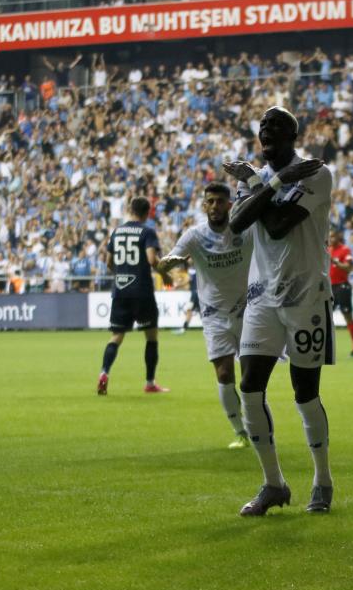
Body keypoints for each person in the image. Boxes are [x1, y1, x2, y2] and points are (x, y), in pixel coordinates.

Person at [225, 106, 334, 516]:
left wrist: (262, 181)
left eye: (275, 126)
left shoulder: (316, 173)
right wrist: (268, 180)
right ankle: (274, 483)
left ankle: (322, 479)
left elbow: (276, 224)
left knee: (305, 394)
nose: (265, 132)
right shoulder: (261, 180)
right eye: (261, 127)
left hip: (306, 296)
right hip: (263, 297)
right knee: (250, 386)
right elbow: (237, 223)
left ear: (293, 135)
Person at [157, 183, 254, 450]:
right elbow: (171, 258)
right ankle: (240, 431)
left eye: (220, 201)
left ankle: (257, 426)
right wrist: (165, 266)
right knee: (224, 373)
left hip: (248, 311)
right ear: (204, 205)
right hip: (213, 315)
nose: (214, 206)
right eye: (210, 201)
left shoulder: (245, 230)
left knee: (250, 378)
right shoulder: (194, 236)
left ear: (229, 205)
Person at [97, 197, 171, 395]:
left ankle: (104, 373)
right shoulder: (147, 231)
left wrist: (123, 273)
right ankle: (149, 382)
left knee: (116, 337)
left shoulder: (117, 231)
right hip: (142, 291)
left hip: (120, 290)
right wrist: (164, 273)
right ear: (148, 213)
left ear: (130, 210)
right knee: (151, 336)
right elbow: (151, 259)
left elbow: (109, 263)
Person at [328, 230, 353, 357]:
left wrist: (335, 262)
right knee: (324, 320)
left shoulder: (345, 250)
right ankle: (326, 350)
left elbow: (349, 268)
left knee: (348, 317)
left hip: (342, 287)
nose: (331, 238)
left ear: (338, 236)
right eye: (329, 236)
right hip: (328, 288)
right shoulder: (327, 249)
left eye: (333, 236)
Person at [173, 266, 199, 335]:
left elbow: (187, 280)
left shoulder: (191, 272)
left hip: (195, 294)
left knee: (189, 310)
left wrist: (178, 285)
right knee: (189, 310)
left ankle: (184, 328)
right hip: (198, 294)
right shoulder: (197, 271)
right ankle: (184, 328)